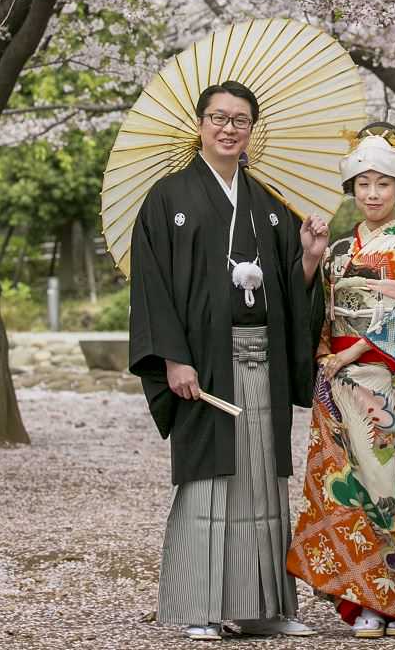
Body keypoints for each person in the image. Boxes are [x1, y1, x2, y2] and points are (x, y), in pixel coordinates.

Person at [128, 80, 329, 640]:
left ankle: (262, 605)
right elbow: (151, 286)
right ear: (199, 125)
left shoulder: (269, 204)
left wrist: (309, 259)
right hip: (203, 364)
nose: (228, 128)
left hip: (260, 357)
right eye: (218, 117)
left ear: (251, 130)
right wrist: (173, 358)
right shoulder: (168, 198)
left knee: (261, 480)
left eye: (240, 120)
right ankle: (199, 605)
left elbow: (291, 290)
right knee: (208, 479)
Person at [286, 123, 395, 637]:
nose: (372, 194)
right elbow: (318, 311)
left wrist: (356, 351)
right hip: (341, 382)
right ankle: (367, 600)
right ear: (351, 190)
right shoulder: (339, 249)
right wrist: (311, 260)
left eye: (383, 183)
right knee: (353, 488)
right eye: (363, 184)